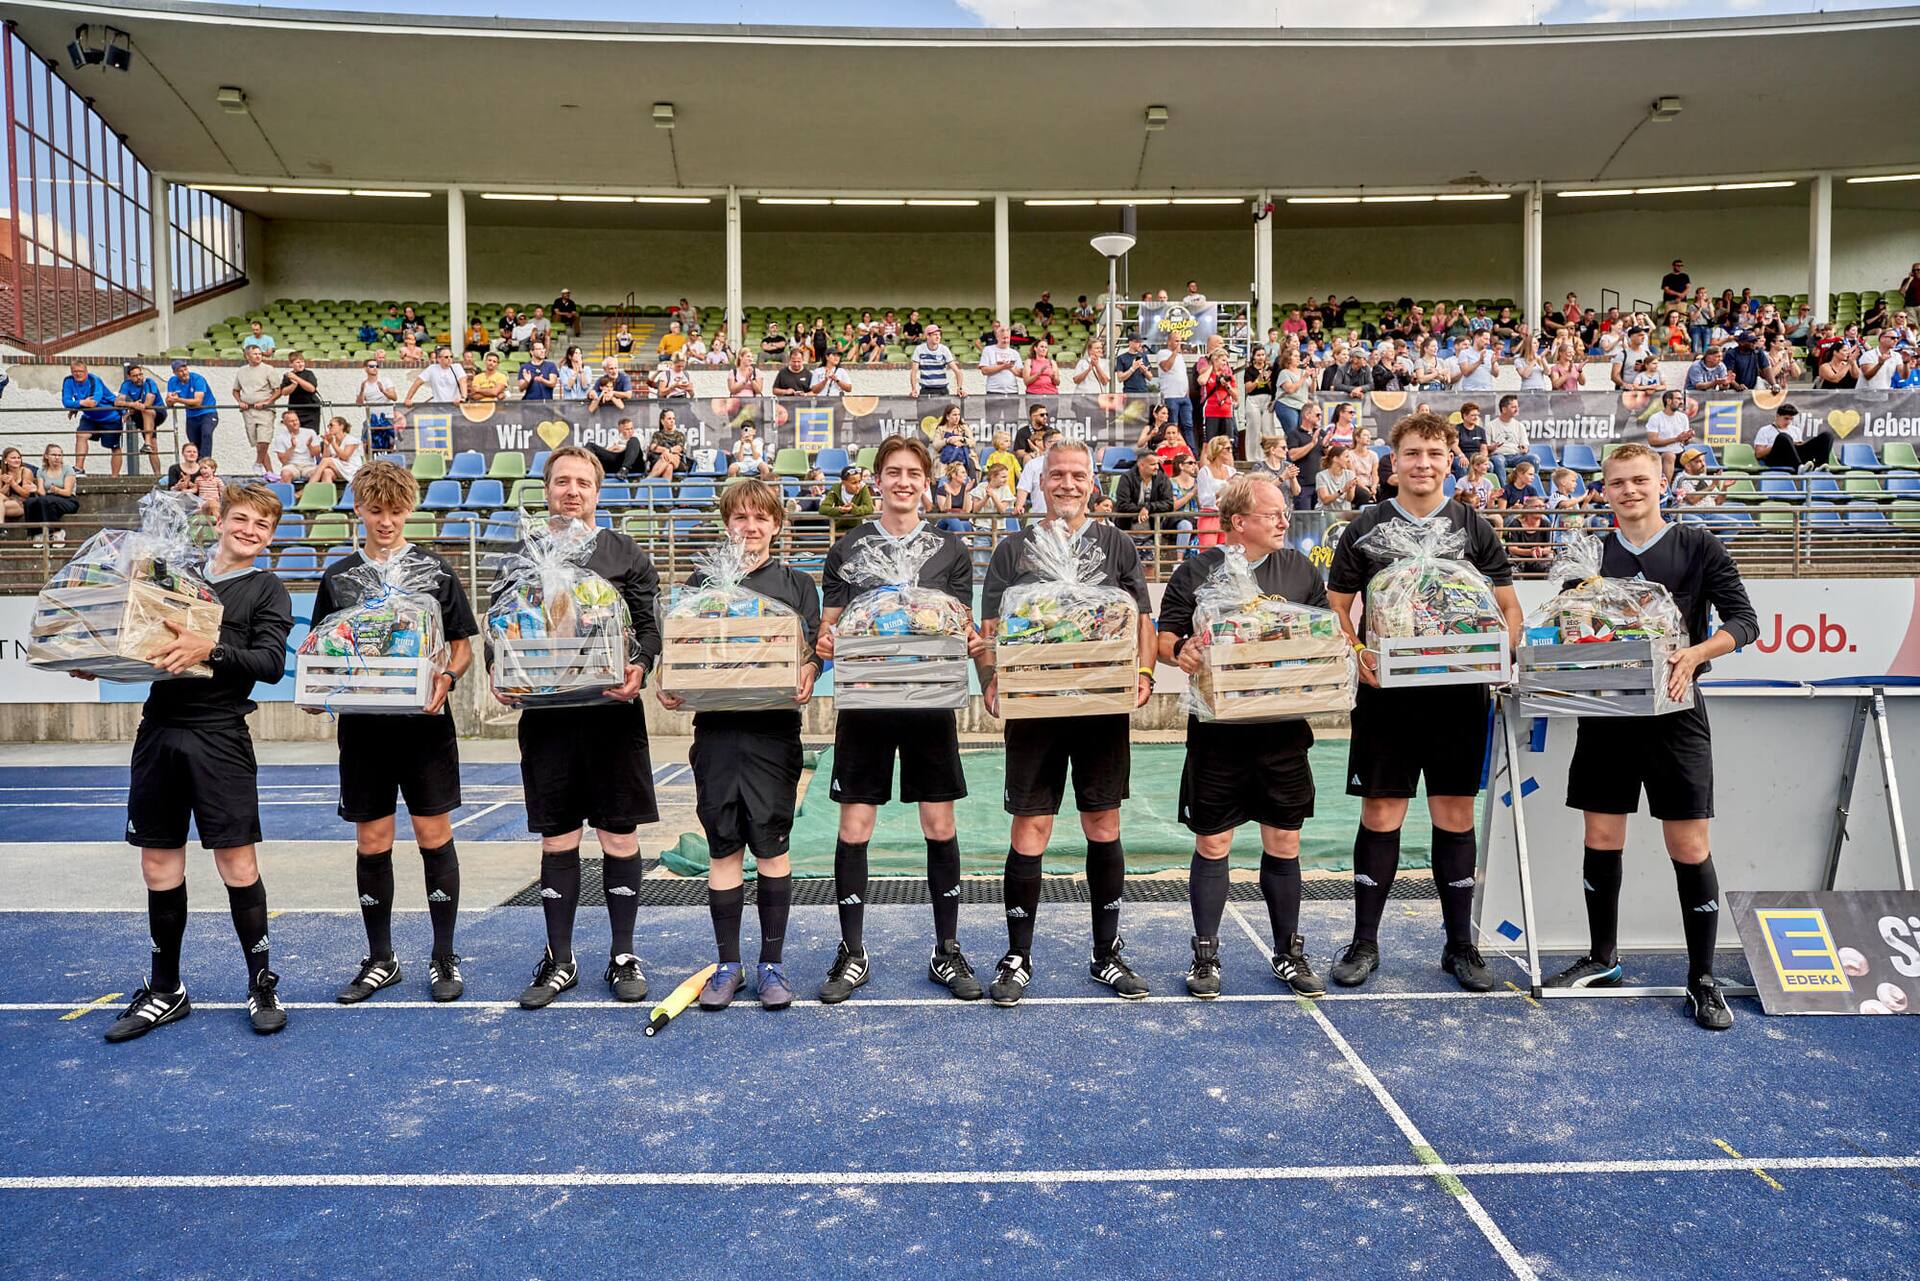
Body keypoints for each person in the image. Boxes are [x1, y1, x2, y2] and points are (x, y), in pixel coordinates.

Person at [1542, 443, 1759, 1029]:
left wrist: (1694, 651)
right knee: (1602, 835)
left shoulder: (1697, 545)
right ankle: (1602, 958)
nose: (1629, 491)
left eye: (1640, 480)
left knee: (1688, 846)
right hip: (1606, 715)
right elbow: (1559, 627)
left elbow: (1745, 623)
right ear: (1604, 490)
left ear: (1661, 482)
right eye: (1617, 483)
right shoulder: (1590, 555)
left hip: (1677, 714)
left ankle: (1703, 977)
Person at [1324, 412, 1524, 993]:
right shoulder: (1365, 526)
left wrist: (1497, 654)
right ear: (1393, 463)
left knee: (1454, 816)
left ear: (1451, 460)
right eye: (1412, 453)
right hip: (1387, 698)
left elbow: (1508, 610)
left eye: (1435, 454)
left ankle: (1460, 946)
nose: (1423, 464)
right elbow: (1337, 608)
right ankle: (1364, 941)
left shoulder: (1473, 527)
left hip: (1459, 698)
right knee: (1381, 814)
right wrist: (1358, 651)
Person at [99, 485, 295, 1043]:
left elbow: (271, 664)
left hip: (220, 738)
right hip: (159, 732)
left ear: (270, 536)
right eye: (242, 518)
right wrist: (99, 659)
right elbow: (135, 640)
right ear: (221, 521)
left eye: (263, 524)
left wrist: (209, 648)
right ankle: (166, 990)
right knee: (159, 868)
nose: (250, 530)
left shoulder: (266, 590)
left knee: (237, 866)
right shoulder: (176, 573)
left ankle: (261, 984)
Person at [979, 438, 1157, 1005]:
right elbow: (988, 630)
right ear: (1040, 480)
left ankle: (1106, 953)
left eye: (1078, 475)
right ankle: (1017, 955)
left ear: (1093, 482)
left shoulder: (1116, 544)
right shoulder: (1014, 550)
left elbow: (1143, 620)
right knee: (1031, 827)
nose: (1067, 484)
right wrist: (990, 678)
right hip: (1035, 712)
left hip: (1101, 708)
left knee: (1102, 823)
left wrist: (1146, 673)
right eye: (1057, 474)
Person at [815, 438, 989, 1004]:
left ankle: (947, 947)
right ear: (876, 479)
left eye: (914, 473)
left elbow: (961, 624)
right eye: (893, 472)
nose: (904, 482)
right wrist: (826, 640)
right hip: (866, 706)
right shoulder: (849, 547)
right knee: (854, 828)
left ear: (927, 481)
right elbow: (832, 625)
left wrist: (968, 640)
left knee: (939, 826)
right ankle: (851, 951)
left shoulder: (948, 551)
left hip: (930, 705)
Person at [489, 448, 662, 1010]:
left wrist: (639, 668)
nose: (572, 491)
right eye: (562, 481)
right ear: (546, 490)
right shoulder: (523, 553)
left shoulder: (623, 552)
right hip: (548, 722)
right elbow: (500, 629)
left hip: (613, 717)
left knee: (619, 835)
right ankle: (559, 958)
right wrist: (500, 671)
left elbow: (650, 630)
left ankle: (623, 954)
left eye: (583, 483)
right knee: (558, 837)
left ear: (598, 492)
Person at [307, 463, 478, 1005]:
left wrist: (447, 679)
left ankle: (444, 954)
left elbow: (463, 646)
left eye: (395, 511)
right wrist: (320, 692)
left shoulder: (436, 571)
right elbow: (321, 650)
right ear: (358, 509)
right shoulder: (337, 578)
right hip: (363, 733)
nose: (386, 521)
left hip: (425, 728)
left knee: (434, 836)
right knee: (372, 841)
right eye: (375, 510)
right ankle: (381, 958)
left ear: (410, 510)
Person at [1158, 473, 1329, 997]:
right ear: (1238, 522)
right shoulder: (1196, 570)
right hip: (1217, 733)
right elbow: (1166, 640)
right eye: (1273, 513)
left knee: (1284, 838)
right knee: (1214, 842)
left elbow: (1324, 637)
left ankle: (1288, 952)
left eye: (1284, 512)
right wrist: (1180, 652)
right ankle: (1205, 955)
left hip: (1282, 734)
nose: (1284, 520)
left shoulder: (1299, 568)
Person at [653, 481, 819, 1012]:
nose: (751, 526)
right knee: (723, 849)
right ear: (727, 523)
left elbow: (811, 653)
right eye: (741, 517)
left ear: (777, 525)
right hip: (717, 733)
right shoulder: (704, 582)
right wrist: (668, 678)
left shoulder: (796, 584)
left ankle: (772, 963)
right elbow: (679, 649)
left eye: (761, 517)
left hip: (773, 733)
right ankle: (728, 964)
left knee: (771, 847)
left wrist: (810, 671)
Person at [64, 360, 124, 477]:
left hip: (110, 416)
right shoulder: (68, 381)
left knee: (114, 447)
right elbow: (66, 402)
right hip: (90, 416)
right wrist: (81, 403)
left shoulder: (94, 380)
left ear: (86, 371)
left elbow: (93, 403)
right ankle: (79, 469)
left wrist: (75, 404)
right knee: (81, 435)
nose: (78, 374)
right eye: (75, 371)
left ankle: (115, 477)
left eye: (80, 371)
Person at [1753, 402, 1835, 471]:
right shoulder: (1765, 430)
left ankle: (1821, 465)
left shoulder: (1795, 430)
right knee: (1783, 437)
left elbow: (1800, 448)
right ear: (1777, 416)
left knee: (1827, 436)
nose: (1788, 422)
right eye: (1786, 418)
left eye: (1791, 419)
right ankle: (1799, 467)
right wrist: (1779, 445)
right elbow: (1758, 454)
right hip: (1777, 458)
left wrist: (1798, 444)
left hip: (1795, 456)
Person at [24, 444, 77, 544]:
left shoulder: (67, 469)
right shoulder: (41, 471)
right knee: (30, 502)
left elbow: (68, 492)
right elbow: (42, 493)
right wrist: (35, 489)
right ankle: (36, 534)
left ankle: (57, 533)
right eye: (54, 455)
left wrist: (56, 490)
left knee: (45, 500)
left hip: (68, 500)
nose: (57, 458)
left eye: (59, 455)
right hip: (48, 498)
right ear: (46, 456)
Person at [166, 359, 219, 459]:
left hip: (207, 412)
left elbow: (197, 402)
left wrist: (177, 399)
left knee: (206, 434)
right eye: (180, 371)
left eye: (185, 369)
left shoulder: (198, 379)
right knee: (193, 443)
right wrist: (171, 399)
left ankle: (206, 462)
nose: (184, 372)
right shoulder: (172, 381)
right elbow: (168, 402)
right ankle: (196, 467)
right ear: (175, 373)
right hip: (191, 415)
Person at [1113, 447, 1175, 533]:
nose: (1157, 467)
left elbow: (1169, 504)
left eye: (1157, 464)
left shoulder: (1162, 478)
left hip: (1155, 528)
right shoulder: (1127, 478)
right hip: (1127, 528)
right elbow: (1122, 504)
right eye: (1153, 464)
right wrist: (1142, 509)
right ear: (1141, 465)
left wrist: (1148, 508)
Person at [1644, 389, 1695, 485]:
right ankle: (1666, 490)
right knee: (1669, 456)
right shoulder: (1655, 418)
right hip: (1658, 453)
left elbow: (1684, 443)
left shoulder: (1683, 417)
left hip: (1679, 452)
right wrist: (1676, 439)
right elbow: (1652, 441)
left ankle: (1702, 490)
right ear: (1668, 401)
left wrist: (1688, 437)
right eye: (1678, 399)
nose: (1681, 402)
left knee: (1697, 457)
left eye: (1682, 399)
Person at [1155, 336, 1194, 451]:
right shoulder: (1163, 353)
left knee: (1188, 426)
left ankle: (1191, 451)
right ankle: (1174, 450)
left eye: (1180, 341)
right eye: (1176, 341)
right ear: (1169, 341)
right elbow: (1166, 367)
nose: (1179, 343)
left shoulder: (1180, 357)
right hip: (1170, 396)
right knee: (1172, 426)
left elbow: (1183, 376)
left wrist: (1187, 394)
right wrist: (1175, 352)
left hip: (1183, 396)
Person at [306, 416, 365, 490]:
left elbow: (345, 456)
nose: (329, 427)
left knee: (327, 462)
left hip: (351, 469)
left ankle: (307, 489)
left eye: (331, 425)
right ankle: (328, 499)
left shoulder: (351, 440)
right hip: (340, 468)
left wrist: (332, 443)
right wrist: (327, 445)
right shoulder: (332, 440)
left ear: (341, 426)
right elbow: (324, 459)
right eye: (328, 425)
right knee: (326, 472)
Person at [1199, 349, 1238, 447]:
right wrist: (1211, 368)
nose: (1225, 363)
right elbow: (1202, 381)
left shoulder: (1228, 375)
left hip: (1226, 413)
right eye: (1223, 360)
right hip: (1211, 412)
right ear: (1216, 360)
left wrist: (1227, 386)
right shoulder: (1208, 373)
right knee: (1211, 443)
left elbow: (1236, 396)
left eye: (1226, 361)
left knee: (1227, 443)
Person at [818, 465, 875, 530]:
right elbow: (823, 508)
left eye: (859, 481)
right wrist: (839, 510)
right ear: (844, 482)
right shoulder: (836, 488)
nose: (858, 486)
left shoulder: (863, 488)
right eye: (854, 483)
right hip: (839, 528)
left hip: (857, 528)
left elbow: (869, 508)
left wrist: (854, 509)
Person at [979, 323, 1022, 397]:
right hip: (993, 390)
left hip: (1012, 391)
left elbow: (1021, 374)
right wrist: (1003, 366)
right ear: (997, 337)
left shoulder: (1014, 353)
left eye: (1007, 338)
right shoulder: (988, 350)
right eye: (1003, 338)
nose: (1006, 340)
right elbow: (984, 371)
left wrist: (1010, 367)